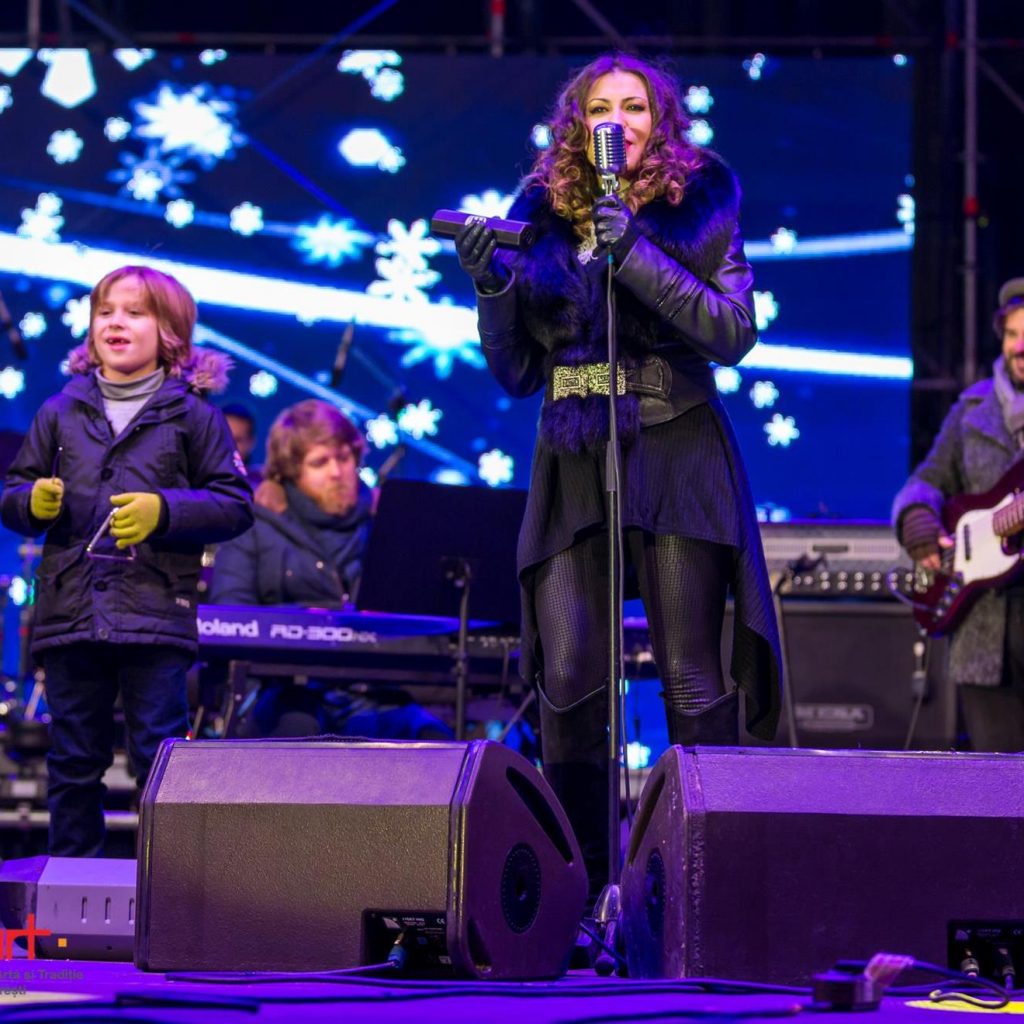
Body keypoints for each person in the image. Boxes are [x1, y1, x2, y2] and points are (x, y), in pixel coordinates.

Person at [455, 53, 782, 899]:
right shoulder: (540, 214)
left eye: (635, 107)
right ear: (577, 123)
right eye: (601, 107)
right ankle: (580, 888)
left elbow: (733, 332)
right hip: (573, 452)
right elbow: (516, 374)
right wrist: (492, 285)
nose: (618, 121)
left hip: (674, 446)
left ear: (660, 121)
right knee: (569, 677)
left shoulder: (702, 206)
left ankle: (702, 886)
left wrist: (632, 249)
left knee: (688, 674)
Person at [0, 265, 253, 856]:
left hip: (154, 612)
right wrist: (30, 501)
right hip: (72, 612)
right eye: (105, 311)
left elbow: (235, 503)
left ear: (170, 334)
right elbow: (14, 491)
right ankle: (71, 883)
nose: (116, 322)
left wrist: (164, 510)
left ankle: (167, 886)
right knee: (72, 760)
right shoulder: (60, 411)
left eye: (135, 312)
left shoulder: (194, 416)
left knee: (159, 756)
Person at [209, 398, 451, 740]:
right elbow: (231, 617)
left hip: (378, 692)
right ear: (291, 471)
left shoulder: (385, 519)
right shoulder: (255, 523)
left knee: (433, 739)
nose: (336, 472)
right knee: (296, 730)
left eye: (344, 457)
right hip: (288, 691)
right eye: (319, 462)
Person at [893, 277, 1024, 752]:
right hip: (983, 636)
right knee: (1000, 783)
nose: (1020, 346)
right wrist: (918, 521)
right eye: (1012, 334)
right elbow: (925, 481)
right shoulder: (971, 409)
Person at [221, 401, 261, 483]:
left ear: (251, 443)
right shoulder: (194, 481)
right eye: (223, 438)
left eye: (237, 440)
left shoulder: (261, 485)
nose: (228, 446)